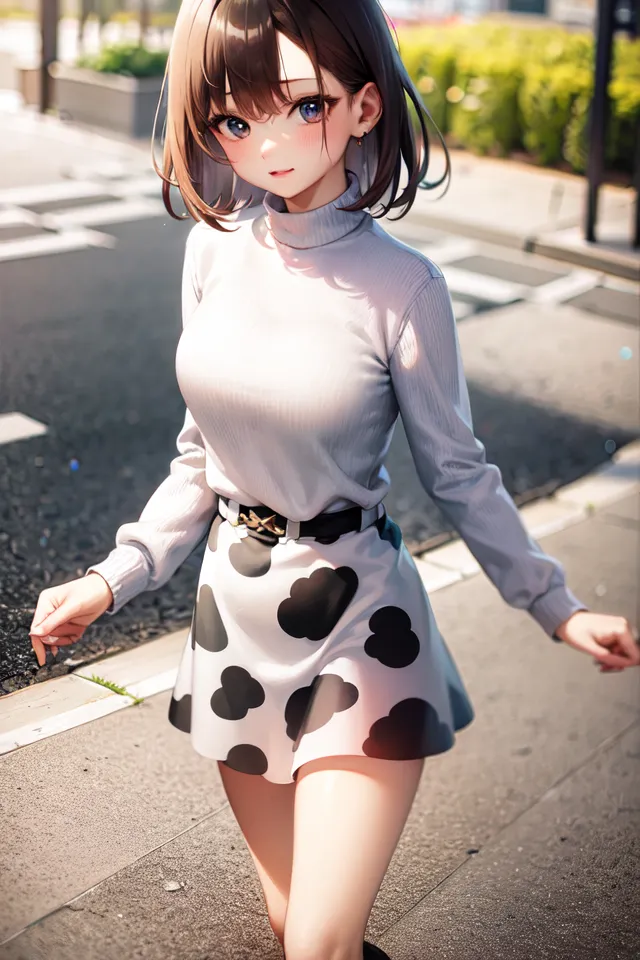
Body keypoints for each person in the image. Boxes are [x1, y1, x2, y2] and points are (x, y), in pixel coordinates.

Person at [29, 1, 639, 958]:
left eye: (300, 106)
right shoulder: (212, 250)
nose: (265, 140)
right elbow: (199, 458)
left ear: (361, 107)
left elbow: (461, 474)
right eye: (235, 117)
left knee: (317, 943)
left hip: (361, 626)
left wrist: (557, 607)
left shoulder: (403, 288)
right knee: (294, 929)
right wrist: (112, 579)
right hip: (235, 621)